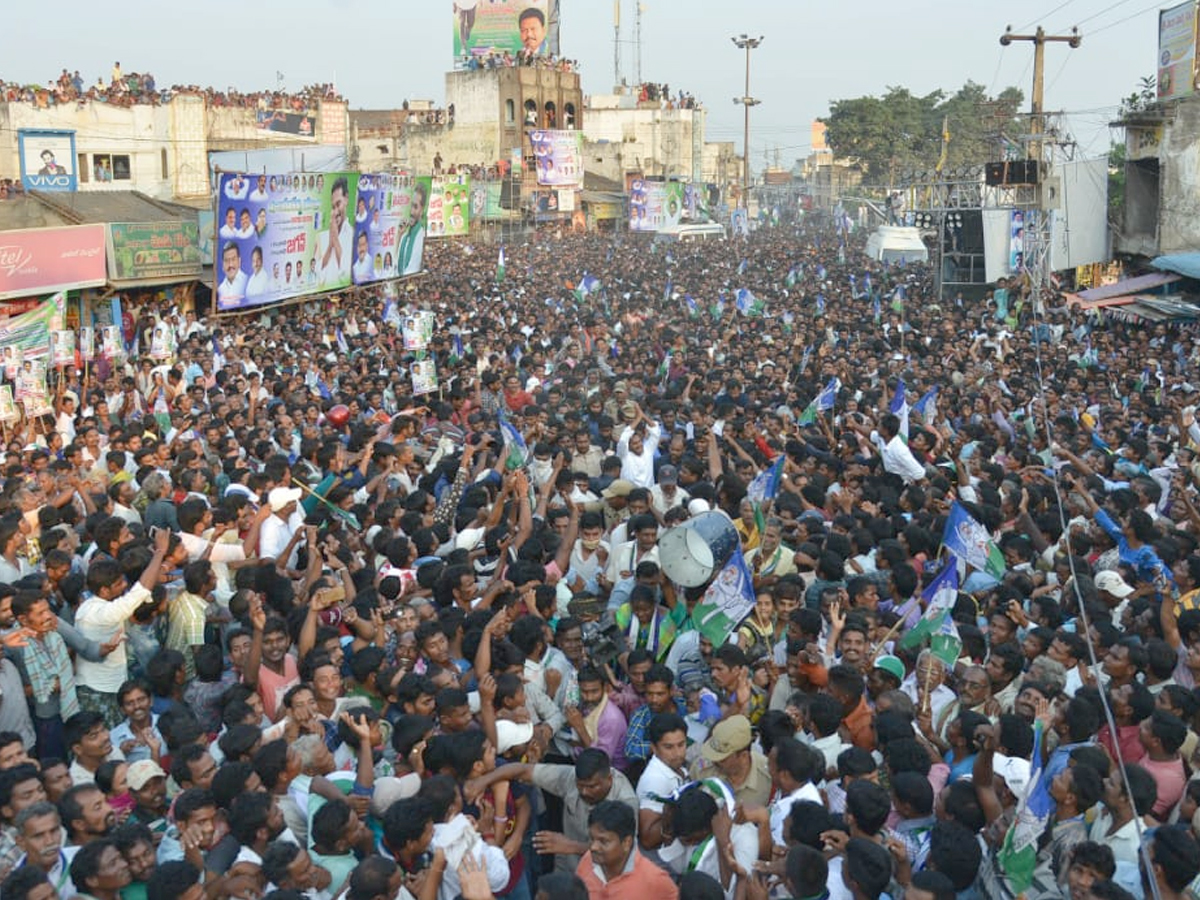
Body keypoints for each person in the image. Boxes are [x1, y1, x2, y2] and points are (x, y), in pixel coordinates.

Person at [575, 800, 678, 898]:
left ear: (626, 843)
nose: (593, 847)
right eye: (592, 839)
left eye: (603, 841)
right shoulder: (587, 861)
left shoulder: (655, 880)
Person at [319, 176, 353, 287]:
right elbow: (318, 274)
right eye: (333, 207)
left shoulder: (352, 235)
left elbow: (346, 275)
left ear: (346, 199)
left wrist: (335, 239)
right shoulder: (324, 236)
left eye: (338, 204)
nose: (336, 211)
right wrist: (330, 243)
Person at [217, 242, 248, 307]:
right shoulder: (220, 289)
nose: (230, 265)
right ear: (223, 264)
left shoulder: (247, 282)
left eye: (233, 259)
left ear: (239, 261)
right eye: (227, 261)